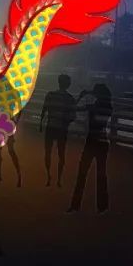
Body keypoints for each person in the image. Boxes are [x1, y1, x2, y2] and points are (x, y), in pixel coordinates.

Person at [67, 84, 113, 214]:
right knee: (101, 174)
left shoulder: (94, 107)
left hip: (91, 142)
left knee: (82, 173)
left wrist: (82, 96)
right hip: (103, 142)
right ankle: (102, 207)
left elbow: (75, 108)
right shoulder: (108, 107)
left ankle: (75, 205)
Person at [39, 74, 76, 186]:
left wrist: (41, 124)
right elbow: (72, 116)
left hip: (50, 127)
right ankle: (59, 179)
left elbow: (44, 110)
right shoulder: (70, 98)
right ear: (68, 84)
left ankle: (48, 176)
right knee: (61, 154)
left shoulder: (50, 95)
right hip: (62, 129)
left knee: (48, 152)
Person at [0, 115, 23, 187]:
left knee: (10, 151)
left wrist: (16, 121)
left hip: (7, 125)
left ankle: (19, 175)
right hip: (0, 125)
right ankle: (0, 176)